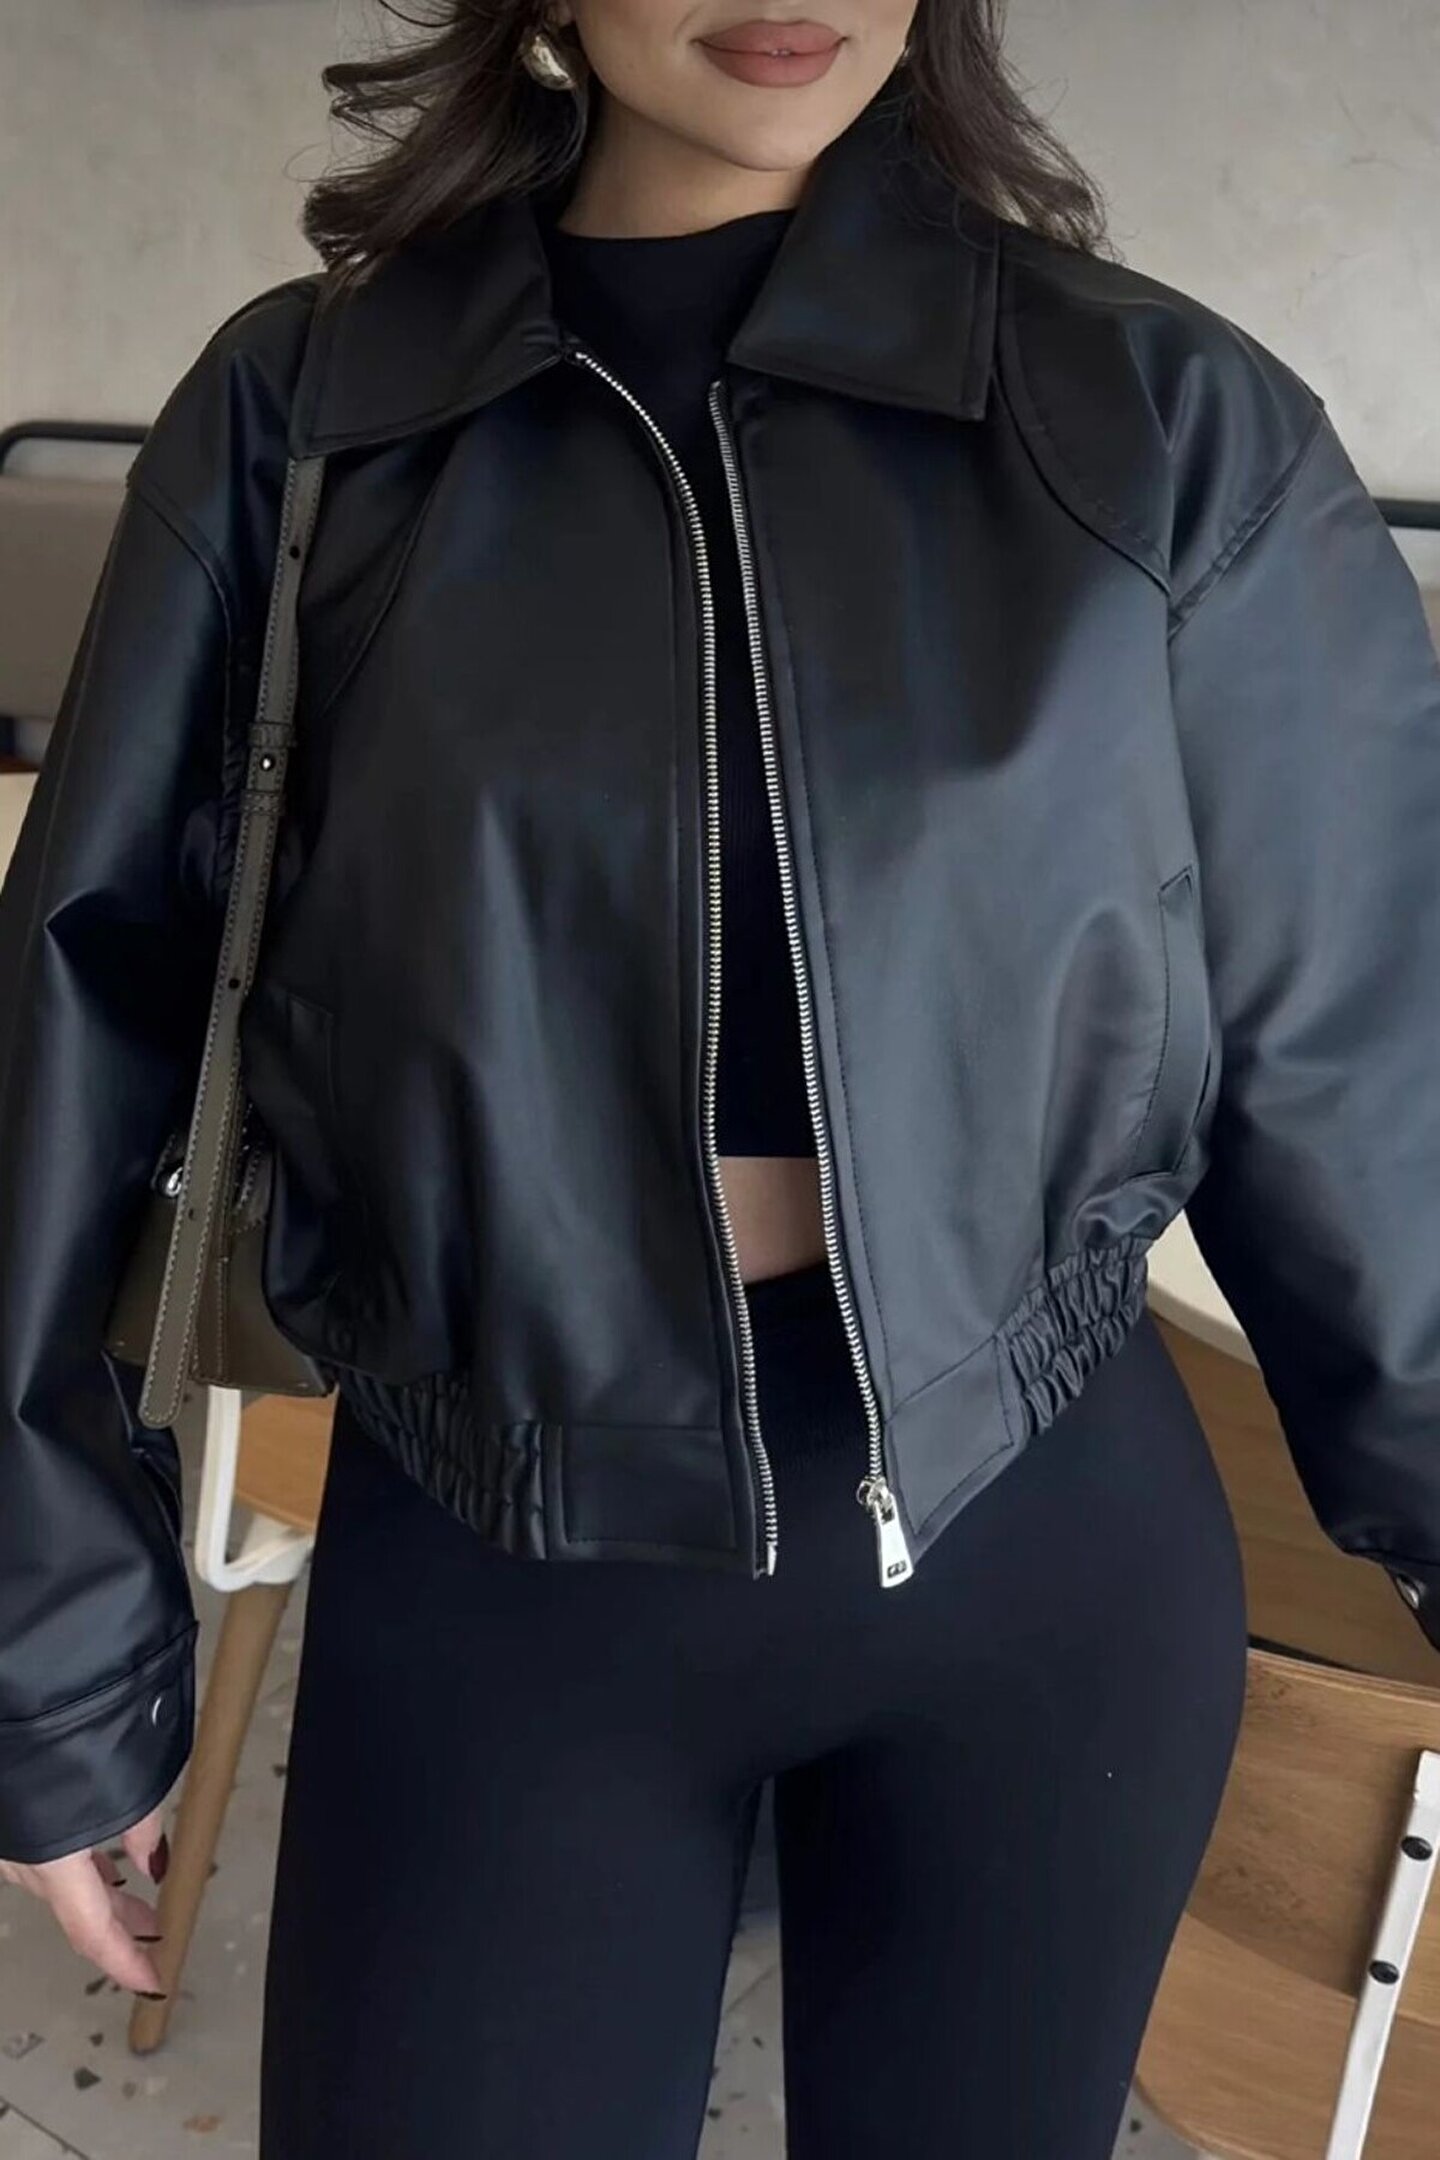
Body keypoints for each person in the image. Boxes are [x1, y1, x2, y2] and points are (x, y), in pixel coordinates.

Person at [2, 1, 1438, 2153]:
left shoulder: (1157, 419)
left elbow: (1365, 1060)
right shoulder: (311, 418)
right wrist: (51, 1656)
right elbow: (79, 1026)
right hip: (501, 1570)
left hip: (1040, 1556)